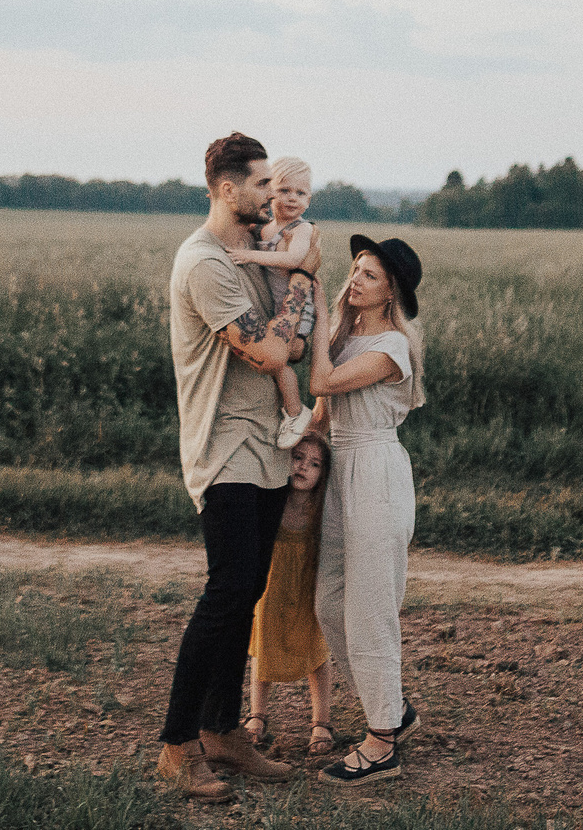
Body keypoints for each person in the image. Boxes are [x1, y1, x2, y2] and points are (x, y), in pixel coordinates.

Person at [155, 132, 320, 804]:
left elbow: (298, 342)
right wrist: (300, 294)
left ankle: (223, 730)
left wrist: (298, 293)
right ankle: (176, 746)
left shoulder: (257, 256)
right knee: (226, 593)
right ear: (227, 189)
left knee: (248, 589)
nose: (271, 194)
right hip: (222, 450)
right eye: (259, 183)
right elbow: (270, 351)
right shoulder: (206, 263)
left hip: (266, 450)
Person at [312, 233, 426, 786]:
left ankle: (382, 742)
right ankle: (395, 707)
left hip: (378, 472)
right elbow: (320, 412)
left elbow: (322, 382)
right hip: (342, 469)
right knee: (329, 600)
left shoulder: (391, 348)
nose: (355, 278)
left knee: (370, 606)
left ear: (390, 295)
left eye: (370, 275)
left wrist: (320, 317)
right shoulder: (347, 338)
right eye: (355, 268)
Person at [241, 433, 336, 758]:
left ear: (323, 474)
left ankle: (321, 721)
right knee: (263, 646)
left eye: (314, 464)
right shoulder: (273, 501)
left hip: (307, 589)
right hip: (273, 588)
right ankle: (257, 715)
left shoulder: (322, 509)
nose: (303, 467)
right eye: (298, 457)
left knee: (316, 650)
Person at [224, 154, 323, 447]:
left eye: (300, 193)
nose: (292, 198)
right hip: (275, 309)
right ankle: (283, 412)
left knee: (279, 361)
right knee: (267, 354)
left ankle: (295, 412)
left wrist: (250, 255)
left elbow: (294, 259)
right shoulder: (265, 227)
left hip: (297, 310)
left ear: (309, 200)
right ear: (270, 193)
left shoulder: (301, 230)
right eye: (284, 190)